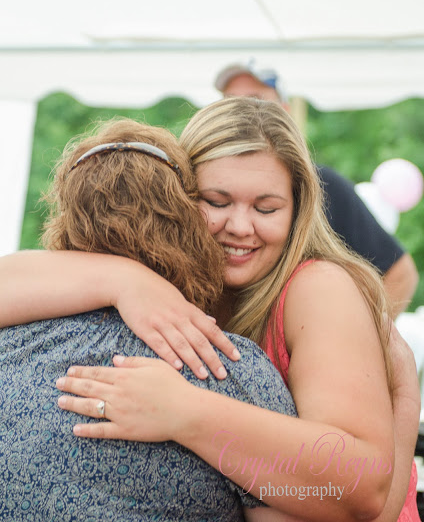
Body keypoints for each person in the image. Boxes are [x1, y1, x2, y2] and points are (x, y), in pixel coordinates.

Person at [0, 101, 419, 521]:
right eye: (217, 202)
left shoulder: (318, 288)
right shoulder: (169, 284)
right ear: (179, 197)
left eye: (266, 208)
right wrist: (122, 279)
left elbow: (358, 490)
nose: (240, 226)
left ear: (297, 213)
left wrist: (185, 412)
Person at [0, 117, 300, 522]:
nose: (239, 226)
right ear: (189, 226)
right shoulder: (229, 369)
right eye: (216, 203)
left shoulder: (10, 343)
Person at [213, 62, 419, 317]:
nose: (242, 113)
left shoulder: (325, 186)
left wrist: (366, 331)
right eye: (217, 201)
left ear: (285, 110)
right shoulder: (192, 177)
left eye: (266, 207)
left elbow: (400, 273)